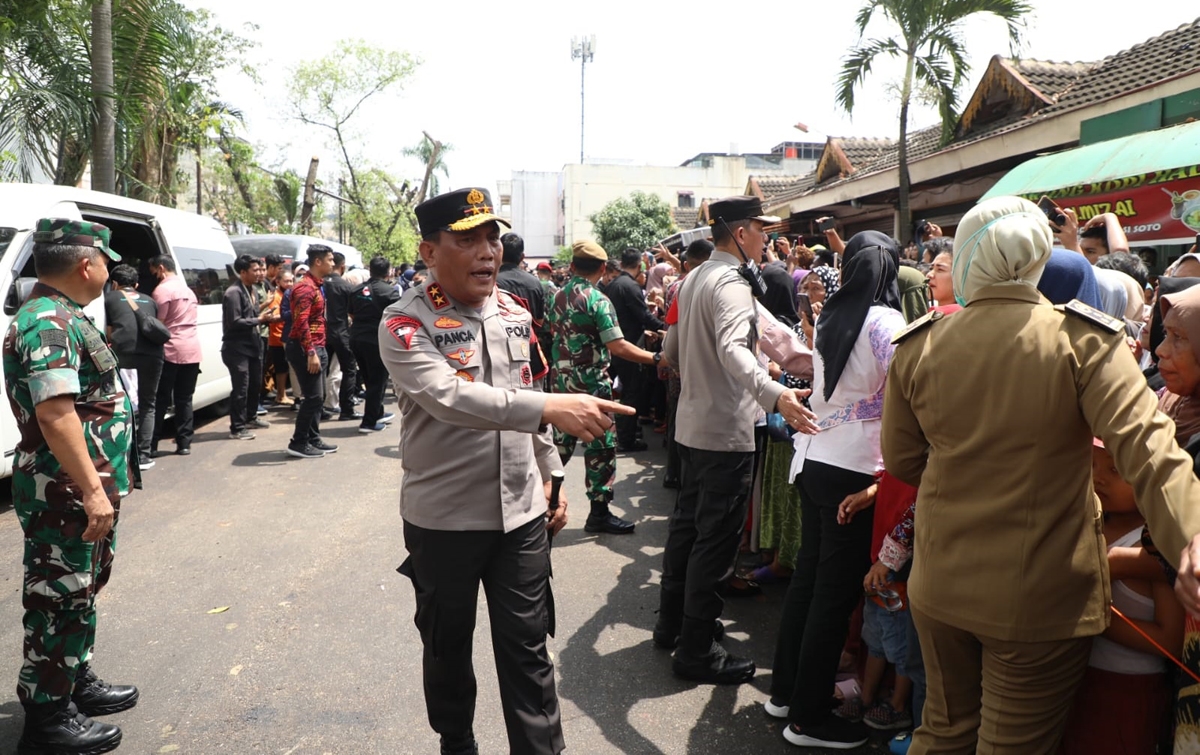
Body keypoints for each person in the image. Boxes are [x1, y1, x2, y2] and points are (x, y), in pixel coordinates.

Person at [882, 195, 1200, 754]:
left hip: (939, 582)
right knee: (1012, 745)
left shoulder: (920, 344)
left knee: (942, 731)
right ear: (1037, 259)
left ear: (967, 262)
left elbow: (906, 461)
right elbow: (1148, 449)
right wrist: (1193, 536)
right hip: (1041, 596)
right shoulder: (1082, 340)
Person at [380, 187, 634, 755]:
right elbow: (449, 399)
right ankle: (458, 742)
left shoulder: (516, 313)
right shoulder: (403, 323)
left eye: (492, 237)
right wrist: (548, 408)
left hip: (521, 515)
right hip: (443, 520)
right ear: (428, 251)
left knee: (527, 649)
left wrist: (554, 476)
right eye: (467, 239)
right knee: (448, 647)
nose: (487, 251)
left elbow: (529, 396)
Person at [657, 195, 817, 686]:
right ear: (741, 232)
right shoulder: (728, 281)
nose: (767, 238)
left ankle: (676, 627)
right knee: (716, 543)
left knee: (688, 531)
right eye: (762, 230)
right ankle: (697, 649)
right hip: (724, 431)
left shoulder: (695, 278)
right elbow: (731, 348)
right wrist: (774, 394)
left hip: (693, 426)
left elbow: (669, 351)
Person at [3, 219, 138, 754]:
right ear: (88, 264)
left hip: (78, 487)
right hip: (63, 491)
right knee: (58, 596)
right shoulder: (49, 322)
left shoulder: (64, 315)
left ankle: (72, 680)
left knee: (79, 590)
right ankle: (47, 716)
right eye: (105, 261)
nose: (108, 270)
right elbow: (56, 414)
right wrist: (92, 490)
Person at [769, 230, 907, 749]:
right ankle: (807, 718)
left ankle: (786, 693)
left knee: (809, 583)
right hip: (856, 468)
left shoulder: (831, 313)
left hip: (816, 460)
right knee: (831, 596)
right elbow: (907, 386)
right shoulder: (886, 321)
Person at [549, 240, 659, 536]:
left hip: (559, 388)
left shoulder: (556, 296)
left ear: (571, 266)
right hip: (592, 390)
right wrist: (657, 358)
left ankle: (541, 506)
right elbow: (618, 346)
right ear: (601, 268)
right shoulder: (598, 300)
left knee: (557, 450)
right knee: (600, 450)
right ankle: (598, 514)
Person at [103, 263, 165, 470]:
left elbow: (109, 332)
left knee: (118, 401)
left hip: (124, 354)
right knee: (149, 403)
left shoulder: (108, 298)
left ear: (114, 284)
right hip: (153, 355)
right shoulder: (150, 300)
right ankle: (145, 456)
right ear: (136, 284)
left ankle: (121, 452)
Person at [605, 248, 666, 451]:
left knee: (625, 391)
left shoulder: (615, 284)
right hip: (629, 346)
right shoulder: (629, 286)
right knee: (632, 392)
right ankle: (626, 439)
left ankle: (624, 433)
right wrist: (665, 328)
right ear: (639, 265)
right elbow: (643, 316)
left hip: (619, 343)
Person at [286, 245, 338, 459]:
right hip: (305, 348)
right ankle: (298, 442)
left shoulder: (316, 285)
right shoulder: (305, 288)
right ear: (318, 262)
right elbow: (301, 322)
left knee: (319, 396)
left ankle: (312, 438)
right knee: (314, 397)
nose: (333, 264)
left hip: (317, 345)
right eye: (330, 259)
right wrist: (310, 352)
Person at [149, 253, 201, 456]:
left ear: (161, 268)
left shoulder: (162, 290)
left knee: (161, 398)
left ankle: (152, 445)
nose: (154, 276)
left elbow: (158, 324)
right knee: (184, 399)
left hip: (171, 350)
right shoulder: (188, 290)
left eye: (154, 272)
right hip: (192, 349)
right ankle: (184, 443)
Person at [222, 254, 273, 440]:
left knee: (254, 385)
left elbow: (254, 314)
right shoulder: (233, 293)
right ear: (243, 272)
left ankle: (251, 417)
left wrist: (268, 318)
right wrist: (259, 319)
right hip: (237, 348)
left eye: (260, 270)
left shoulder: (251, 289)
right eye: (255, 270)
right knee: (241, 388)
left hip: (253, 345)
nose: (259, 273)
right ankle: (237, 427)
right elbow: (235, 322)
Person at [349, 255, 399, 433]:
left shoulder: (356, 290)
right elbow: (396, 319)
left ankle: (377, 412)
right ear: (389, 271)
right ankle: (369, 422)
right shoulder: (390, 291)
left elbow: (352, 314)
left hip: (356, 338)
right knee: (378, 380)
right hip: (376, 340)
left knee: (369, 378)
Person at [321, 251, 361, 421]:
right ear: (342, 266)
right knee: (349, 369)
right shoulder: (346, 287)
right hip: (341, 331)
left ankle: (322, 406)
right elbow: (354, 312)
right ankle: (347, 409)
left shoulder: (319, 284)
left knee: (322, 370)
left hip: (322, 331)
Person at [496, 232, 550, 354]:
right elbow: (539, 320)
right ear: (522, 257)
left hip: (500, 348)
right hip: (529, 348)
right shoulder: (535, 283)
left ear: (499, 253)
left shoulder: (491, 282)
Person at [267, 270, 294, 405]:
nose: (289, 284)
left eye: (291, 281)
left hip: (285, 336)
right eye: (286, 281)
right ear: (278, 282)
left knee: (285, 368)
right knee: (281, 369)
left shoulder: (287, 294)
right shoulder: (275, 296)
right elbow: (273, 317)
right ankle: (281, 395)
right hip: (277, 338)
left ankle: (282, 394)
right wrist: (290, 315)